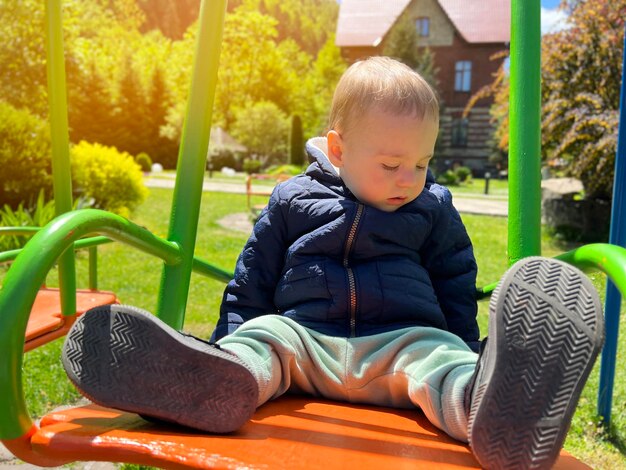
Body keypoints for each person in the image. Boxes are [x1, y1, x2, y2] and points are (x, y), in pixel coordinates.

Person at [62, 57, 604, 469]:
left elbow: (454, 282)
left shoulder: (431, 208)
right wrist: (230, 335)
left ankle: (485, 403)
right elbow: (252, 279)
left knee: (439, 363)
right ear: (339, 151)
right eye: (392, 163)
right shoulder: (293, 200)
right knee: (264, 339)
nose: (409, 178)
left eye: (422, 162)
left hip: (400, 344)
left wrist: (462, 344)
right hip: (306, 343)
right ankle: (214, 380)